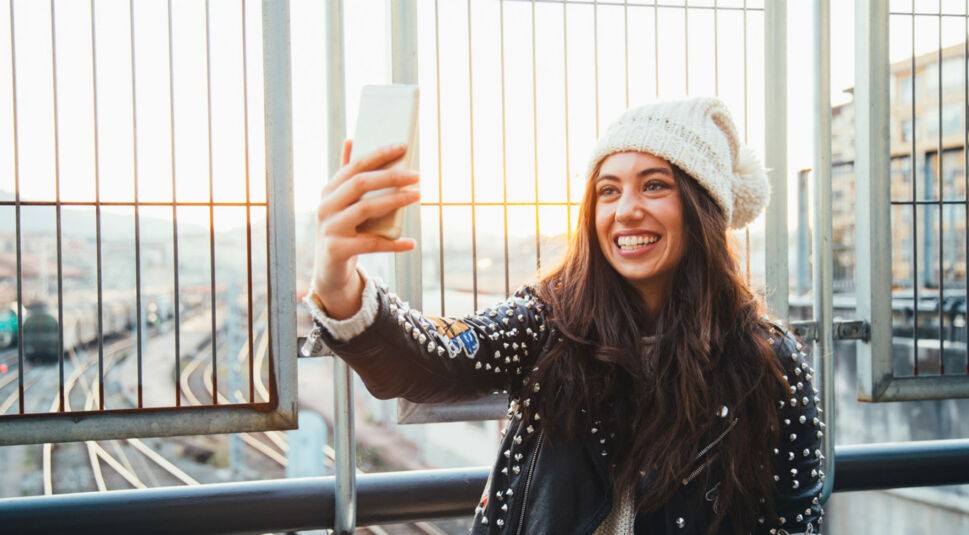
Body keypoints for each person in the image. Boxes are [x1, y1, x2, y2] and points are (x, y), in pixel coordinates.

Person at [303, 97, 824, 534]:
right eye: (608, 190)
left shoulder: (767, 364)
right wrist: (339, 282)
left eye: (655, 185)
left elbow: (795, 520)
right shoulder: (551, 322)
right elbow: (435, 357)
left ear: (702, 207)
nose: (625, 210)